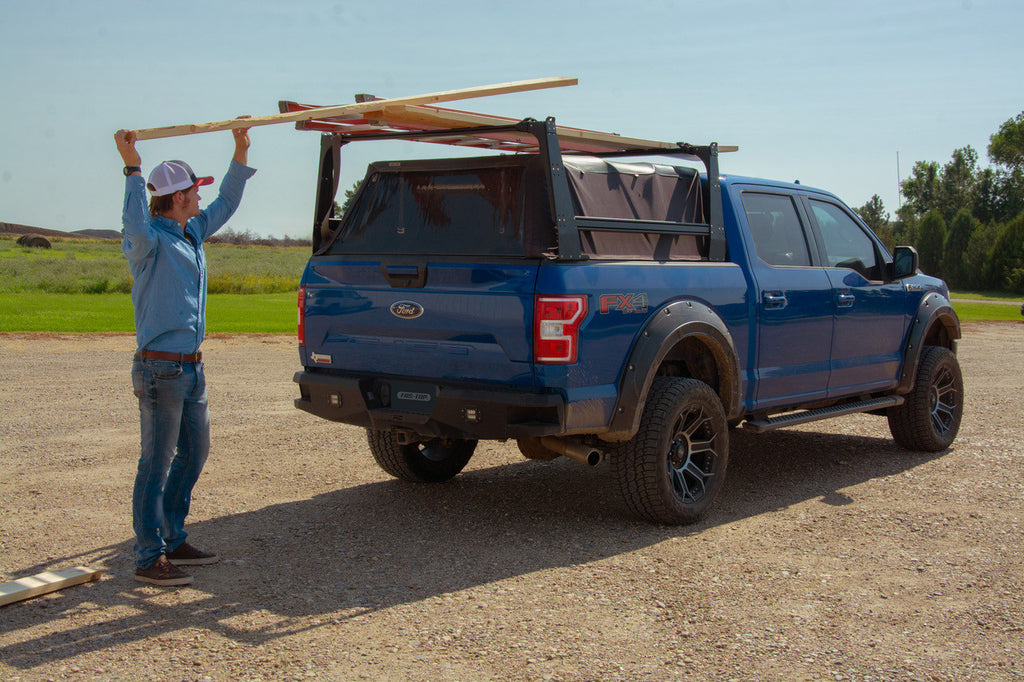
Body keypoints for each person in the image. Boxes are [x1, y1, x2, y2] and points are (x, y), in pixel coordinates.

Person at [114, 122, 256, 586]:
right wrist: (132, 170)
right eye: (195, 190)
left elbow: (227, 202)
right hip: (160, 369)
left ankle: (173, 538)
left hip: (192, 368)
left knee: (194, 454)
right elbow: (135, 226)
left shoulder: (190, 231)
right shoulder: (149, 242)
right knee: (155, 463)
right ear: (177, 197)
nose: (200, 196)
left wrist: (240, 149)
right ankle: (148, 556)